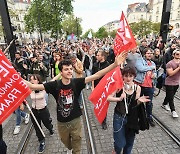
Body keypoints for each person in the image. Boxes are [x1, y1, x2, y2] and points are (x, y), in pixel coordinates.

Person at [24, 51, 127, 154]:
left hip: (76, 120)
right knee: (66, 142)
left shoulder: (76, 82)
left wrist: (114, 64)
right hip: (62, 122)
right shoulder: (54, 85)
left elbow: (96, 75)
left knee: (77, 144)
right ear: (61, 72)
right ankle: (70, 148)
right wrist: (14, 76)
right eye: (66, 69)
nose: (69, 71)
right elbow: (33, 86)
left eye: (70, 69)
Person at [107, 66, 150, 154]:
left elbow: (134, 106)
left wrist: (139, 101)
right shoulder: (119, 86)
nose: (128, 78)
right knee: (120, 143)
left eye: (130, 76)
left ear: (134, 76)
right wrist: (119, 99)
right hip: (119, 117)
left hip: (132, 118)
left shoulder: (137, 88)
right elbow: (108, 98)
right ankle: (116, 150)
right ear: (122, 76)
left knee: (129, 142)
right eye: (126, 76)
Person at [29, 74, 54, 153]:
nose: (32, 81)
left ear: (38, 80)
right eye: (31, 80)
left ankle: (50, 128)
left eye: (34, 79)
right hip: (34, 111)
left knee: (47, 123)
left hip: (43, 110)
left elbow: (52, 82)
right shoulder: (30, 88)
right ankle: (41, 141)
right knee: (37, 127)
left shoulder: (43, 87)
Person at [134, 48, 157, 127]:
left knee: (149, 103)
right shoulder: (139, 60)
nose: (150, 54)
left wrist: (155, 75)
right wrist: (151, 68)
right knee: (138, 102)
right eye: (148, 53)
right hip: (140, 85)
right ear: (144, 54)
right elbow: (141, 69)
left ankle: (149, 117)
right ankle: (137, 117)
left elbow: (155, 72)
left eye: (151, 53)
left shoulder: (153, 63)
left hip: (150, 86)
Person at [92, 49, 110, 130]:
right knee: (98, 103)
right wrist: (92, 87)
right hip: (97, 87)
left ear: (103, 56)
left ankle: (104, 120)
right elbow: (93, 76)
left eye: (98, 55)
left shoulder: (107, 65)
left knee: (104, 104)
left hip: (105, 88)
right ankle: (100, 115)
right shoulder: (95, 64)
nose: (97, 56)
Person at [161, 49, 180, 118]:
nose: (179, 55)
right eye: (177, 54)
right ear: (173, 55)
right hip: (169, 82)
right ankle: (173, 111)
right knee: (171, 97)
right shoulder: (170, 63)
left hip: (177, 82)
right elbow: (170, 73)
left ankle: (164, 103)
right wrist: (178, 68)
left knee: (170, 95)